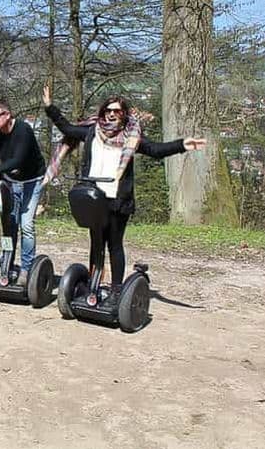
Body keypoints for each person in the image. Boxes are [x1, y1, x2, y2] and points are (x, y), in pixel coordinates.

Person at [42, 84, 206, 305]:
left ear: (124, 114)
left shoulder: (132, 137)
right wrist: (50, 107)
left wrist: (182, 145)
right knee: (96, 243)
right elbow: (68, 129)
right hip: (94, 196)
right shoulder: (92, 132)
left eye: (117, 111)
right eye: (108, 110)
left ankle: (117, 290)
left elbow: (156, 150)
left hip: (118, 200)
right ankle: (94, 284)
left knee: (114, 244)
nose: (112, 114)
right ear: (102, 113)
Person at [0, 99, 46, 287]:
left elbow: (18, 159)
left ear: (7, 115)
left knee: (27, 224)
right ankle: (6, 265)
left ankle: (26, 269)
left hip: (32, 180)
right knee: (9, 224)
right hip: (10, 181)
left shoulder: (23, 130)